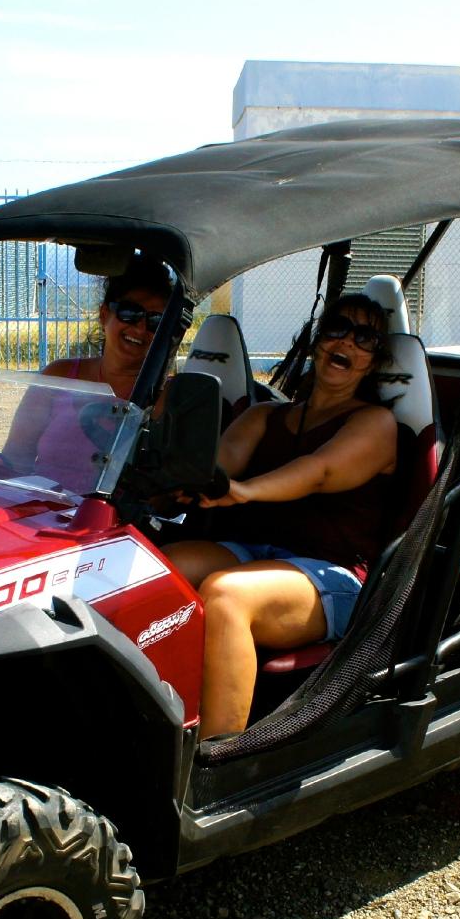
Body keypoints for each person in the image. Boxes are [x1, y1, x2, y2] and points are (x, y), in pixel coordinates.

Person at [167, 294, 401, 740]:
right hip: (253, 552)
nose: (347, 341)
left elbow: (319, 472)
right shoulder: (264, 416)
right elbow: (220, 460)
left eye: (364, 337)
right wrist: (177, 471)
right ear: (316, 342)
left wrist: (246, 491)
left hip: (333, 575)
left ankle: (217, 757)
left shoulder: (375, 424)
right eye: (338, 328)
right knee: (158, 571)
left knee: (225, 594)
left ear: (372, 362)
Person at [0, 260, 172, 488]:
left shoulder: (166, 396)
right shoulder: (59, 376)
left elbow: (163, 492)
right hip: (40, 511)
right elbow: (15, 458)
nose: (140, 328)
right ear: (104, 314)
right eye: (130, 313)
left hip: (112, 520)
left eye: (155, 321)